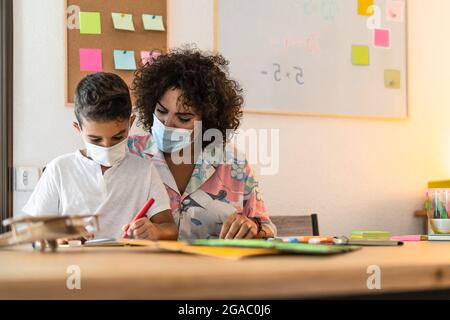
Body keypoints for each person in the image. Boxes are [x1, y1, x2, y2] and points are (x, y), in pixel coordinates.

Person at [129, 47, 277, 240]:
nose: (168, 123)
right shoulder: (130, 153)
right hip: (146, 269)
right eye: (161, 111)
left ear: (206, 121)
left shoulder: (233, 163)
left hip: (214, 269)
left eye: (183, 118)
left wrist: (253, 227)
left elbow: (267, 227)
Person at [23, 72, 177, 241]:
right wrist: (59, 235)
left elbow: (169, 229)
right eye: (95, 139)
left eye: (118, 137)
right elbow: (31, 233)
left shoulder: (144, 171)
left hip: (127, 265)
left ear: (130, 123)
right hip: (74, 265)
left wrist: (155, 231)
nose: (107, 146)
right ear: (78, 129)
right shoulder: (59, 169)